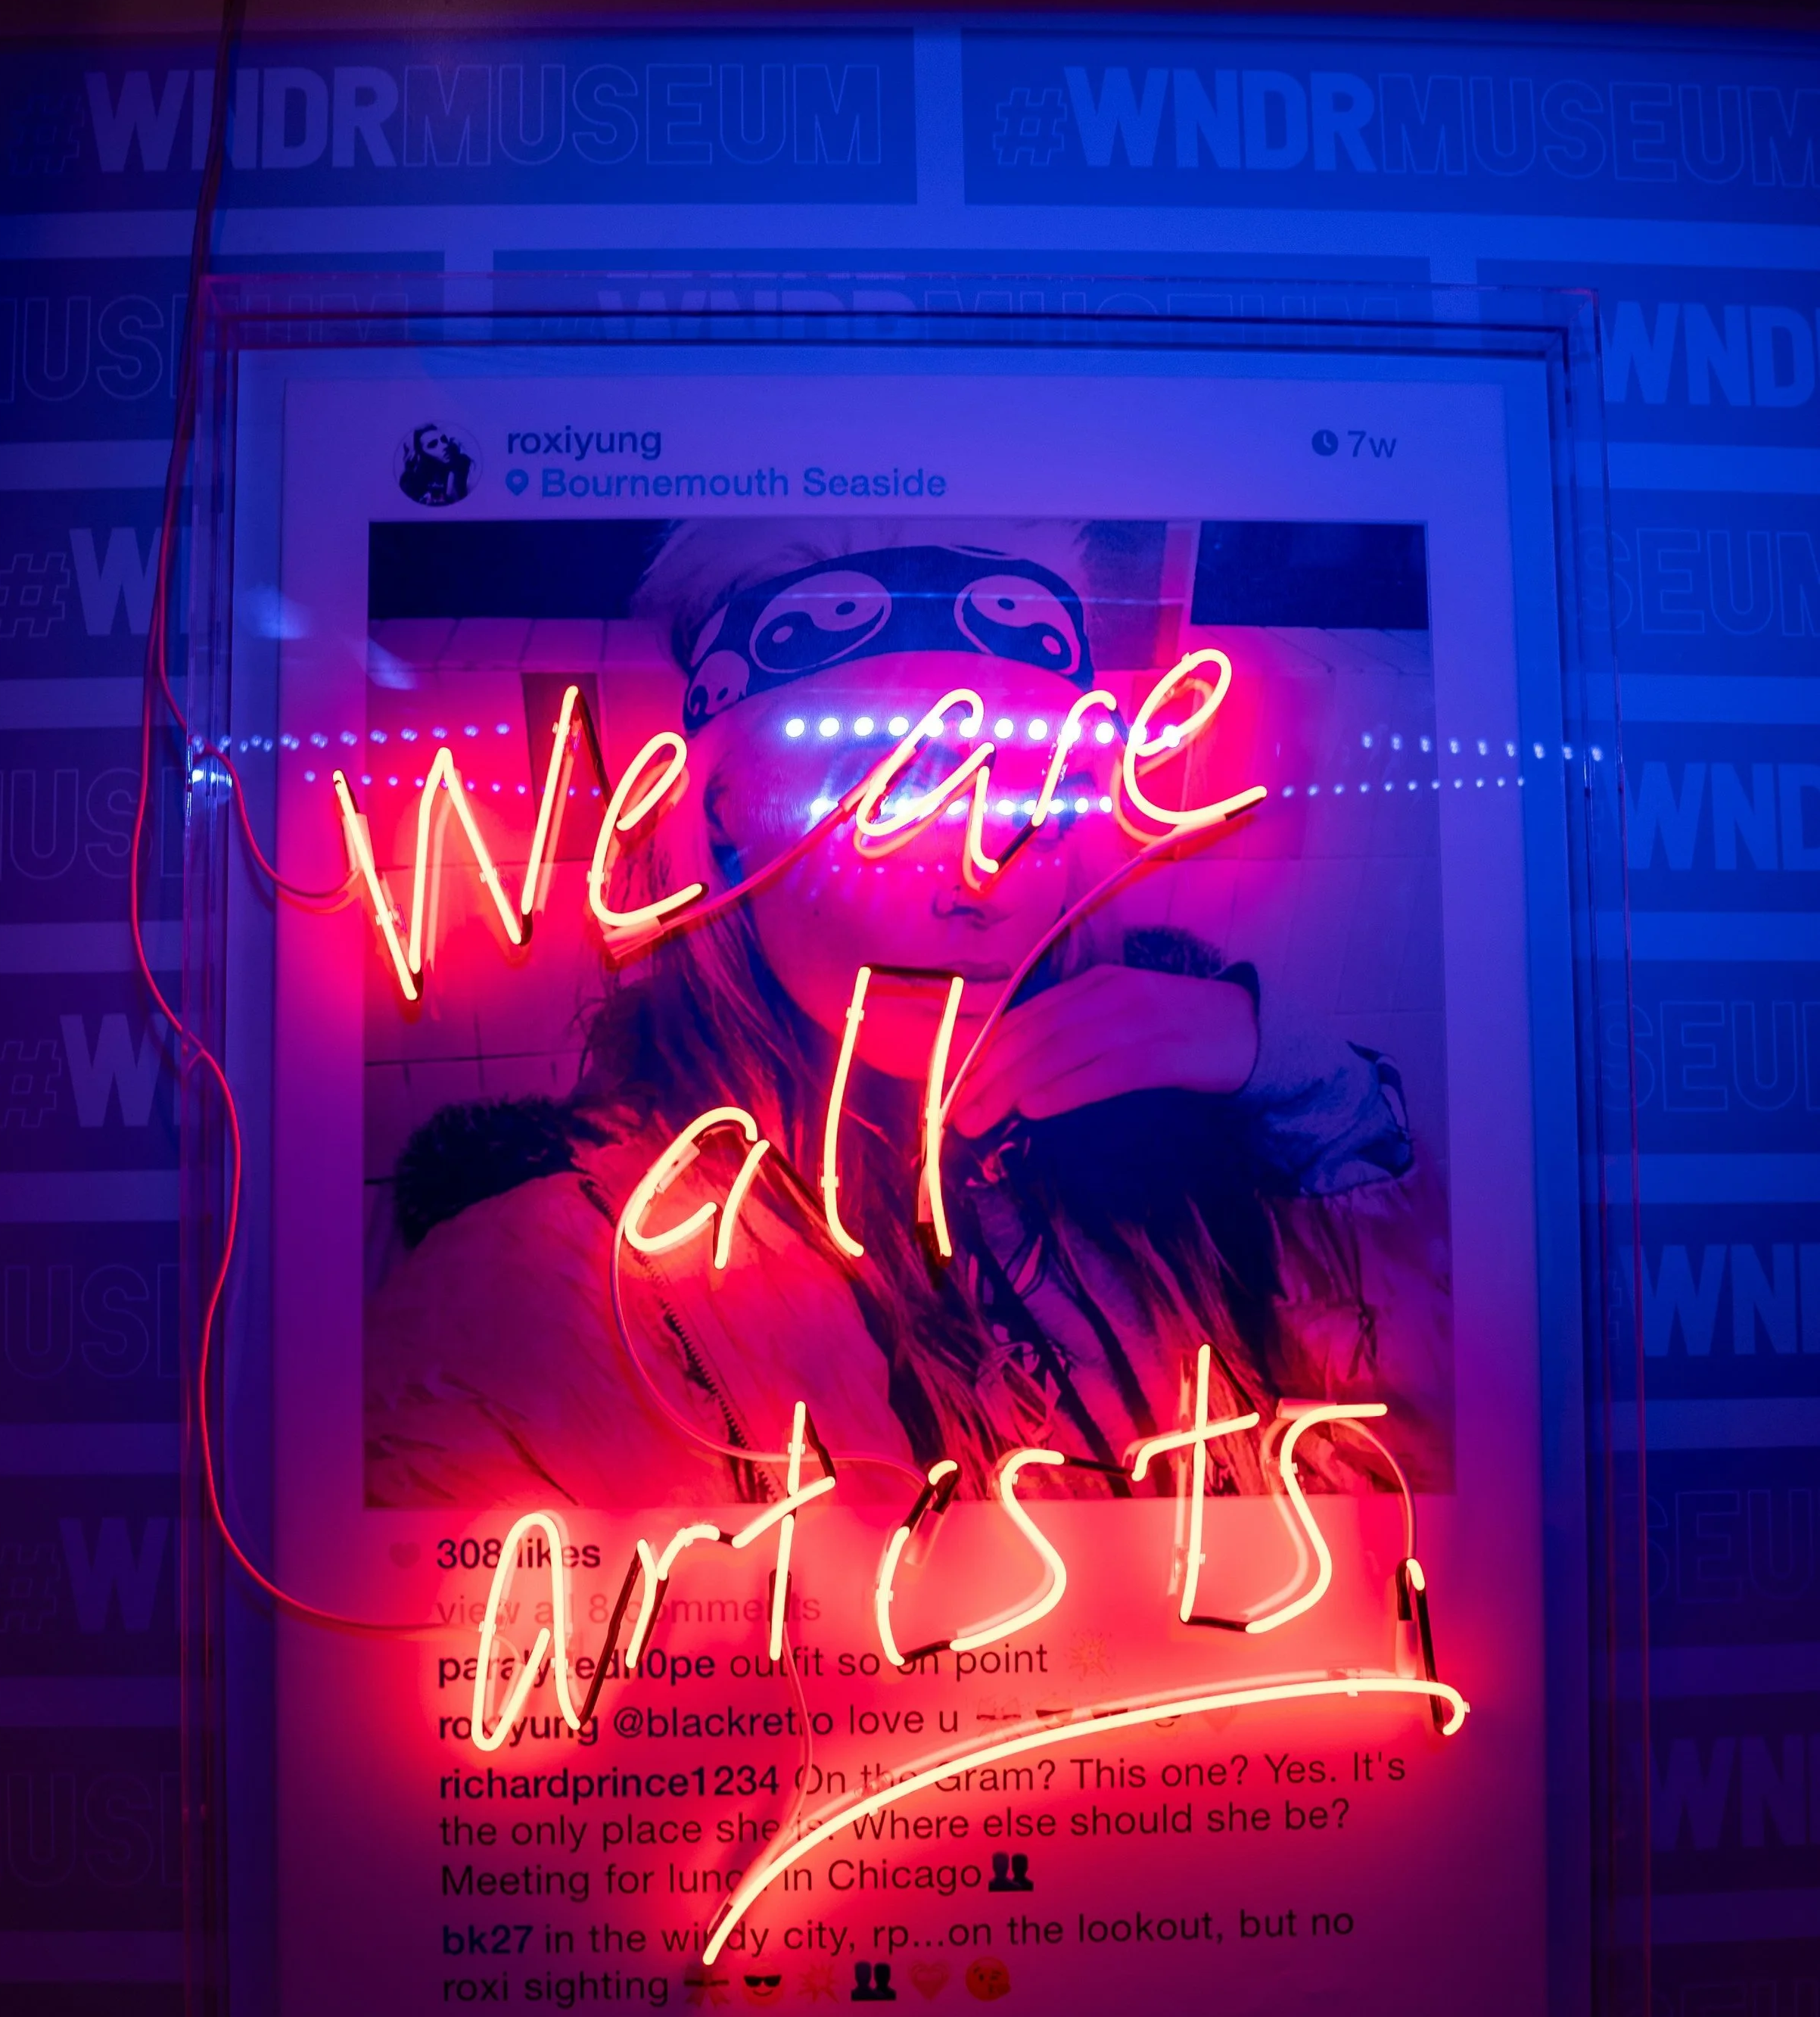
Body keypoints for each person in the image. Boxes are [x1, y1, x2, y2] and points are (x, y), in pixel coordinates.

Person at [364, 524, 1448, 1517]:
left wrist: (1309, 1091)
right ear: (727, 814)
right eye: (893, 789)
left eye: (1041, 787)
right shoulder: (528, 1304)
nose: (988, 879)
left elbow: (1436, 1510)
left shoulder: (1190, 1143)